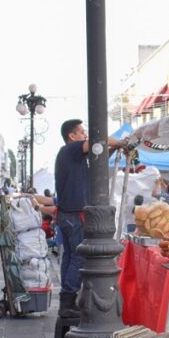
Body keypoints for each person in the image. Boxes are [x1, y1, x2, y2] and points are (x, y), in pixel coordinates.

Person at [55, 118, 124, 310]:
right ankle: (68, 297)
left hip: (67, 214)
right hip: (74, 214)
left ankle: (66, 296)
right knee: (78, 256)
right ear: (72, 136)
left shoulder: (71, 155)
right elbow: (98, 141)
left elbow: (99, 154)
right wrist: (119, 143)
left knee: (70, 256)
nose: (85, 135)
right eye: (82, 132)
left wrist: (113, 149)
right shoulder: (72, 149)